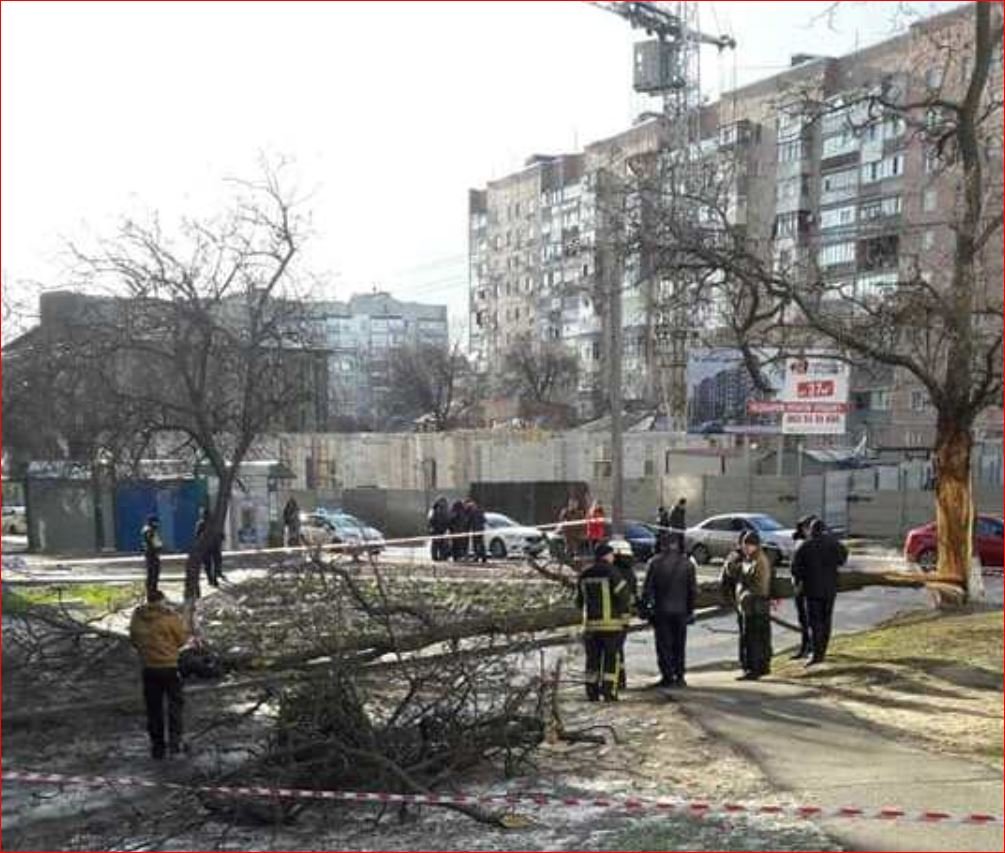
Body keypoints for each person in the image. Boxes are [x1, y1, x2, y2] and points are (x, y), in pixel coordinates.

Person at [129, 590, 190, 759]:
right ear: (162, 600)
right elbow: (182, 640)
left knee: (153, 709)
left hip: (149, 668)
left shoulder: (138, 617)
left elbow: (133, 639)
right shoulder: (169, 617)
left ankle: (157, 747)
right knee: (175, 707)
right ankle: (175, 744)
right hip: (170, 666)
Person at [576, 543, 632, 702]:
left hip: (590, 626)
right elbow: (623, 596)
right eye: (612, 555)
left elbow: (579, 601)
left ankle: (591, 692)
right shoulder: (612, 572)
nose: (613, 557)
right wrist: (625, 619)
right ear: (606, 556)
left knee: (592, 660)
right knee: (610, 659)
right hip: (611, 626)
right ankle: (609, 691)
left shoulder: (584, 574)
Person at [642, 532, 697, 687]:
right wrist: (690, 611)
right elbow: (692, 590)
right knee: (679, 644)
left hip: (661, 611)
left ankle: (667, 676)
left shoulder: (654, 563)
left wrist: (646, 608)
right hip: (681, 611)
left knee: (664, 644)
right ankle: (680, 676)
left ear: (662, 545)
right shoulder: (687, 564)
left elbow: (648, 589)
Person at [790, 518, 848, 665]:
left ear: (811, 530)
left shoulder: (805, 546)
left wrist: (800, 579)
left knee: (814, 623)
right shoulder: (834, 544)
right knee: (826, 621)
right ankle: (822, 651)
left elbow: (795, 569)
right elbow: (843, 558)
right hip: (830, 590)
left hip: (812, 590)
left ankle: (816, 654)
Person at [720, 530, 773, 681]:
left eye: (748, 545)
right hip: (753, 604)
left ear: (754, 545)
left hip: (753, 605)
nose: (745, 548)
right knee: (758, 637)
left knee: (752, 638)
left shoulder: (757, 560)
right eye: (745, 545)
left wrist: (731, 566)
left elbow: (748, 579)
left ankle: (753, 668)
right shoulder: (754, 558)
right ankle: (760, 666)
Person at [789, 514, 817, 660]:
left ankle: (810, 648)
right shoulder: (800, 542)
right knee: (803, 619)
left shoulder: (812, 544)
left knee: (810, 620)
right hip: (800, 586)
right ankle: (806, 647)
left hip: (807, 587)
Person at [612, 545, 638, 691]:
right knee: (618, 648)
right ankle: (621, 680)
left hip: (612, 616)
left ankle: (616, 679)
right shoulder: (630, 572)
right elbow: (633, 596)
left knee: (612, 650)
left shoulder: (612, 573)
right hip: (624, 616)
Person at [195, 509, 225, 588]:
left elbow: (197, 535)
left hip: (206, 547)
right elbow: (221, 534)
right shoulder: (215, 523)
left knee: (208, 564)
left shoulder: (201, 524)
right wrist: (220, 539)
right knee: (215, 563)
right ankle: (214, 578)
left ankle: (211, 579)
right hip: (214, 546)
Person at [559, 495, 587, 559]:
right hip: (568, 532)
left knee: (575, 542)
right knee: (568, 540)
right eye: (572, 503)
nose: (573, 505)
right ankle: (569, 553)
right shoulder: (565, 511)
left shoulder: (580, 513)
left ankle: (575, 553)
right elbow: (562, 519)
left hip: (577, 532)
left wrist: (582, 531)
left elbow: (583, 523)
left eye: (575, 504)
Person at [141, 514, 163, 597]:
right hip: (152, 554)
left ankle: (153, 589)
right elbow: (151, 542)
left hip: (152, 553)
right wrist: (157, 548)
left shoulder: (149, 530)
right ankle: (151, 590)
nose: (157, 525)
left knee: (154, 572)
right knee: (153, 572)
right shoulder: (149, 530)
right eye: (155, 523)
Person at [428, 497, 450, 561]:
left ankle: (440, 556)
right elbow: (431, 520)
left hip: (441, 529)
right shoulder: (434, 510)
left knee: (441, 544)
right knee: (436, 544)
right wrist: (432, 527)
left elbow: (447, 519)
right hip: (437, 529)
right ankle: (436, 557)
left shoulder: (444, 510)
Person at [466, 497, 487, 563]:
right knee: (480, 543)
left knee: (477, 544)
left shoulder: (472, 511)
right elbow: (484, 520)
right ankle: (482, 556)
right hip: (480, 529)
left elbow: (469, 520)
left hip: (476, 529)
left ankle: (478, 556)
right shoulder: (480, 510)